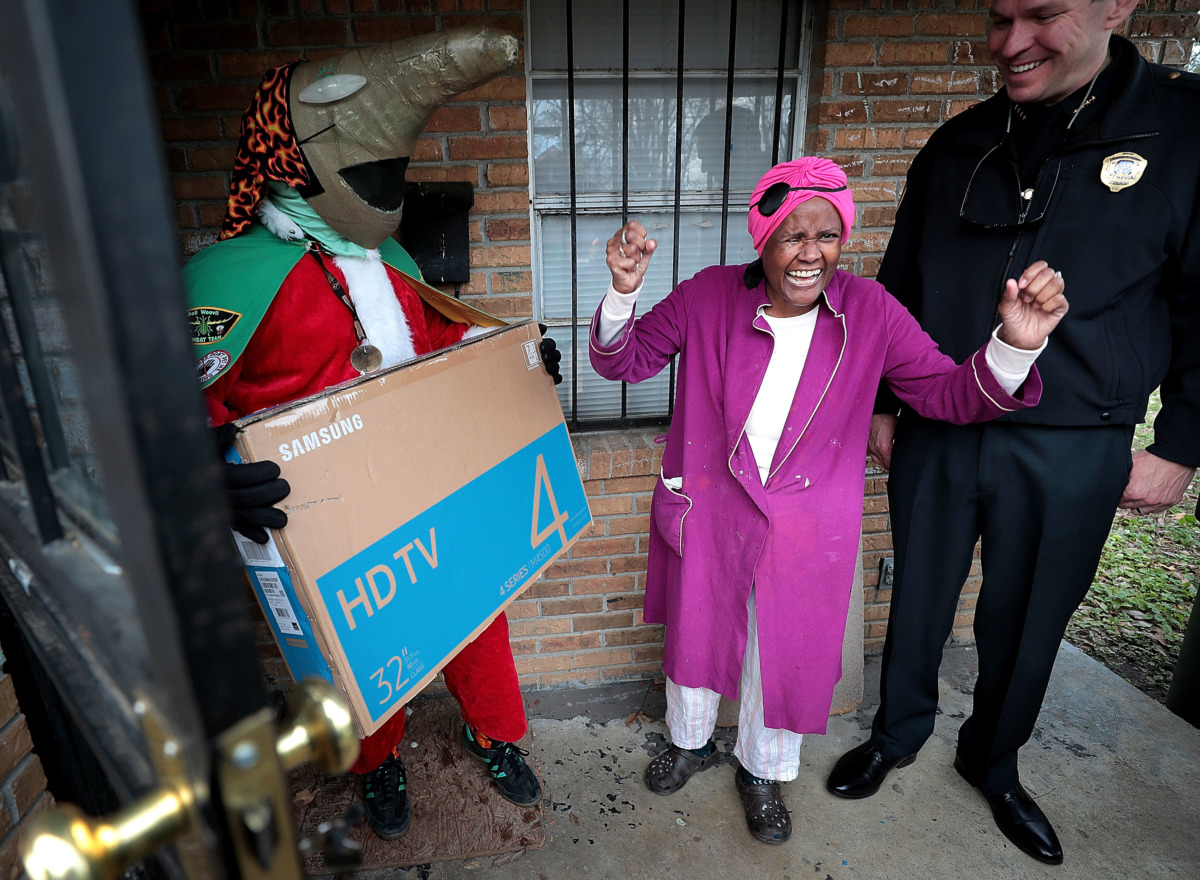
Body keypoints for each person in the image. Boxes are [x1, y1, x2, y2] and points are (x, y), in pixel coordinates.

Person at [588, 156, 1069, 845]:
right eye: (792, 236)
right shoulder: (708, 295)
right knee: (695, 637)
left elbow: (944, 394)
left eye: (827, 235)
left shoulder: (870, 311)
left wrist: (1013, 350)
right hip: (713, 508)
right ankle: (690, 743)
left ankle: (762, 772)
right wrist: (622, 292)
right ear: (763, 240)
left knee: (781, 656)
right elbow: (623, 362)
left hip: (805, 527)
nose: (810, 253)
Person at [826, 0, 1200, 866]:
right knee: (918, 590)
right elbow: (899, 281)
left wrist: (1181, 441)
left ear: (1116, 6)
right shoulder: (961, 140)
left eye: (1042, 15)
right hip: (942, 418)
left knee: (1027, 618)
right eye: (1000, 19)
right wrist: (883, 399)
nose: (1011, 43)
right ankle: (899, 730)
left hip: (1073, 436)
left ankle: (993, 763)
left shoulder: (1182, 129)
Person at [184, 27, 560, 841]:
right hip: (325, 516)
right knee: (357, 660)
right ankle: (376, 763)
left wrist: (516, 365)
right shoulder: (224, 281)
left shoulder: (392, 259)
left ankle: (492, 734)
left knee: (475, 615)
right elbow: (177, 408)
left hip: (426, 480)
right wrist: (205, 472)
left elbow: (439, 343)